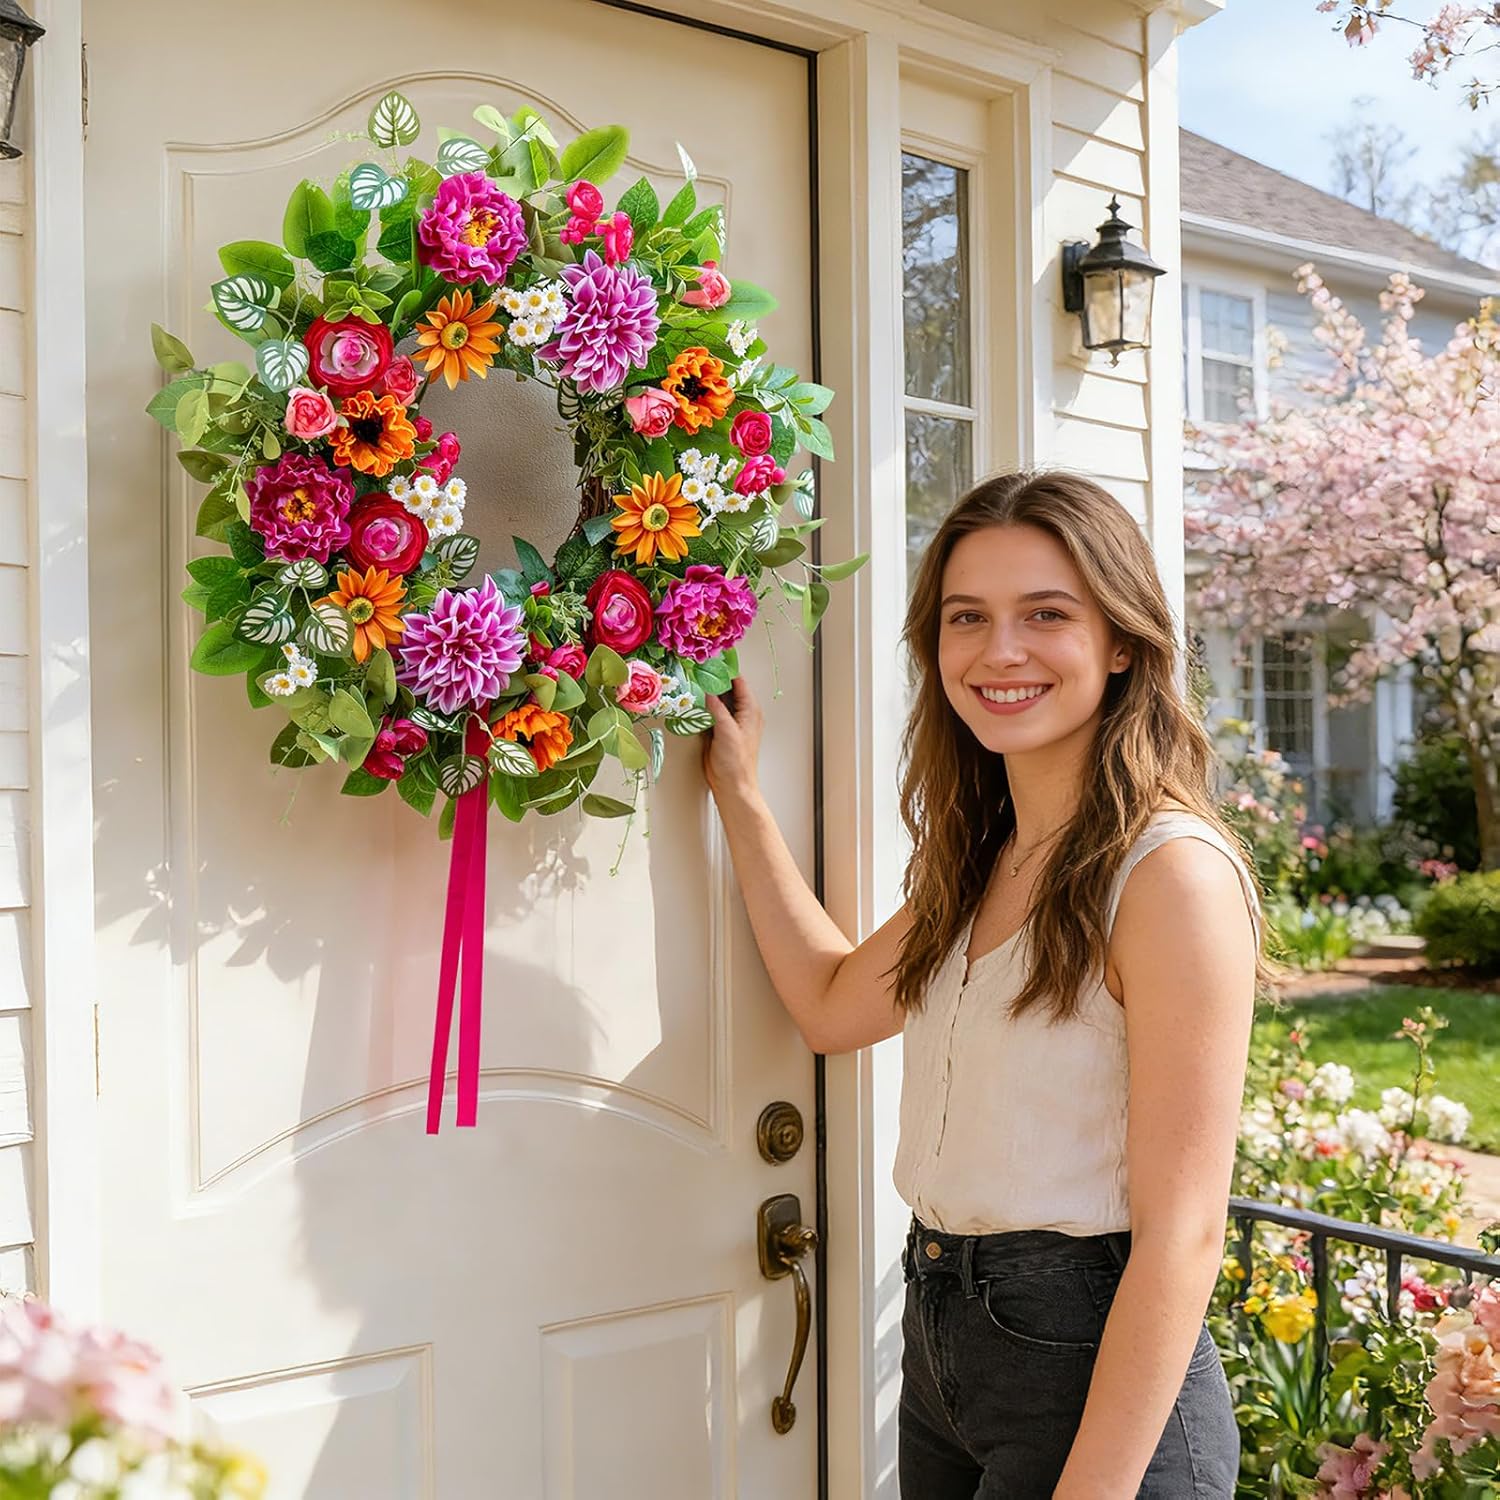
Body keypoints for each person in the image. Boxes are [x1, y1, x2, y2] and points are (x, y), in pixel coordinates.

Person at [702, 470, 1264, 1498]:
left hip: (1096, 1370)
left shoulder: (1168, 875)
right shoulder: (985, 860)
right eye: (969, 618)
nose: (999, 651)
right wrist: (739, 798)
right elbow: (832, 1005)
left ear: (1124, 640)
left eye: (1045, 614)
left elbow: (1183, 1235)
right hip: (946, 1345)